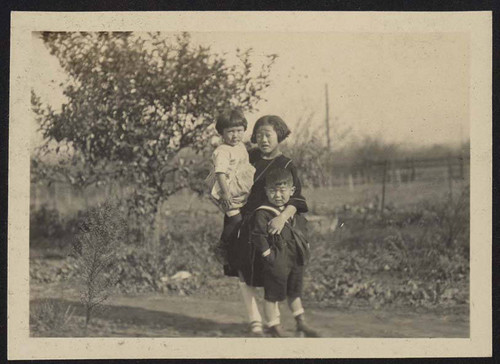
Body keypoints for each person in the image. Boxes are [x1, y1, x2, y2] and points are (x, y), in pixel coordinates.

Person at [226, 115, 309, 336]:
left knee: (275, 272)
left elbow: (297, 199)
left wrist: (282, 218)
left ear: (279, 136)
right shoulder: (247, 157)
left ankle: (277, 322)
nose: (263, 140)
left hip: (273, 229)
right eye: (259, 135)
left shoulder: (286, 164)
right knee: (245, 273)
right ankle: (255, 322)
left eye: (268, 134)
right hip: (243, 224)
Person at [249, 167, 320, 337]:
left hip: (295, 258)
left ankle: (301, 322)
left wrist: (306, 247)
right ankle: (273, 325)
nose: (278, 195)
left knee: (294, 291)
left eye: (282, 190)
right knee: (272, 294)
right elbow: (258, 236)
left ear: (292, 191)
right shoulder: (263, 213)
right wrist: (268, 255)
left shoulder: (292, 211)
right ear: (266, 191)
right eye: (273, 191)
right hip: (276, 259)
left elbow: (303, 229)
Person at [205, 109, 255, 265]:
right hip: (225, 188)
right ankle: (222, 247)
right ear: (222, 133)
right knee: (235, 219)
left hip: (238, 187)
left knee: (234, 216)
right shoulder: (223, 151)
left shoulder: (240, 146)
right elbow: (220, 173)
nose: (235, 135)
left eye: (239, 131)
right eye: (230, 132)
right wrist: (225, 193)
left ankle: (236, 248)